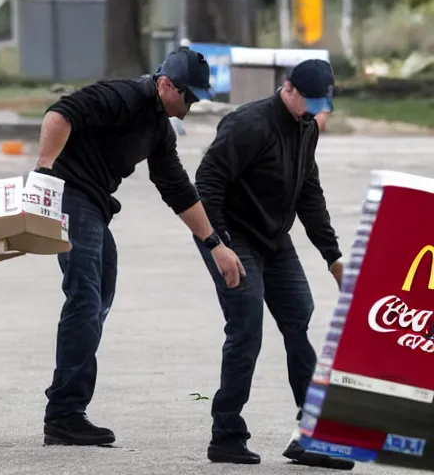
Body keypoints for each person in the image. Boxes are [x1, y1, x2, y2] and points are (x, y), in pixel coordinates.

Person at [33, 47, 246, 446]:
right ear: (166, 84)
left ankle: (67, 407)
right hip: (69, 196)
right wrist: (44, 172)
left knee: (98, 300)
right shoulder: (124, 96)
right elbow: (60, 113)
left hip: (94, 208)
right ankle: (64, 414)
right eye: (189, 96)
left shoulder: (159, 130)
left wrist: (215, 243)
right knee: (84, 297)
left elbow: (178, 191)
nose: (191, 104)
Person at [193, 59, 353, 470]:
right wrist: (217, 245)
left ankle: (311, 434)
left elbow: (309, 194)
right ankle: (226, 434)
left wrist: (333, 257)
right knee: (246, 328)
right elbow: (206, 183)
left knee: (299, 316)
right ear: (289, 89)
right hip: (231, 235)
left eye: (322, 104)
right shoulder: (248, 124)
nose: (315, 110)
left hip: (272, 238)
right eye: (310, 101)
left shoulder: (306, 129)